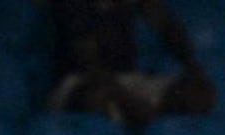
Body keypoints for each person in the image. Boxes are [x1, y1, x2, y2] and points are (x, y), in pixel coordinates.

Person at [50, 0, 216, 123]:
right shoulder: (73, 4)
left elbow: (167, 26)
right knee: (99, 99)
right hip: (80, 82)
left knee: (198, 94)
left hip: (128, 79)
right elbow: (88, 64)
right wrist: (127, 100)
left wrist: (193, 68)